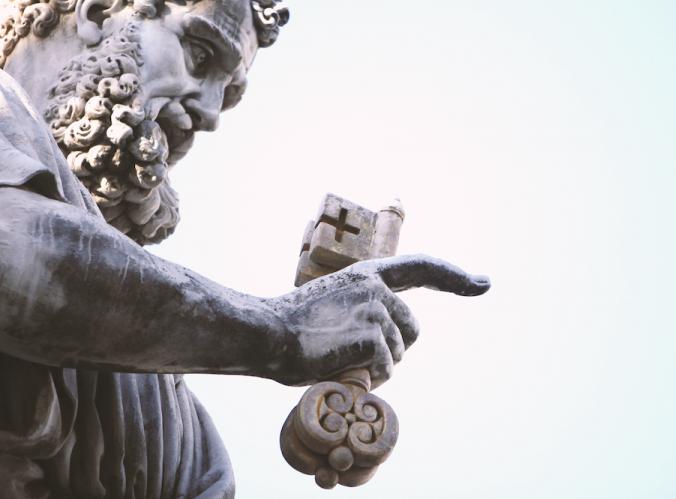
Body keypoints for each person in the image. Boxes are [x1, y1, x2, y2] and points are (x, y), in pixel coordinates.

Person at [0, 0, 490, 496]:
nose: (210, 114)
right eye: (199, 55)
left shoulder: (184, 437)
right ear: (98, 12)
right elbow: (16, 258)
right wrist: (280, 331)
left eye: (228, 93)